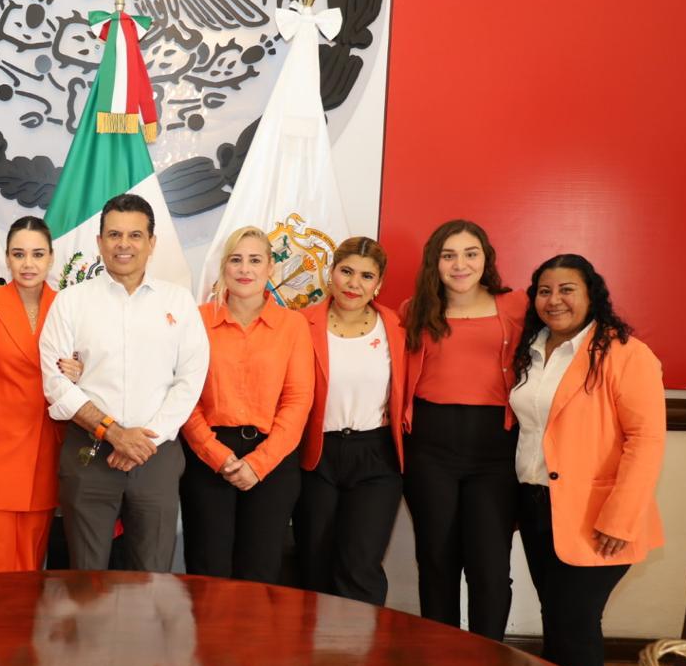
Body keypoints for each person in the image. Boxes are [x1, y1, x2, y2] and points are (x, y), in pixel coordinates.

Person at [510, 254, 664, 666]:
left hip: (596, 516)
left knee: (573, 627)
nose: (554, 300)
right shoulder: (531, 349)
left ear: (591, 295)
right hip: (536, 505)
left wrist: (620, 518)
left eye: (567, 290)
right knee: (558, 620)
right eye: (544, 291)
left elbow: (646, 439)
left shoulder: (626, 353)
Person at [39, 193, 209, 571]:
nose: (124, 244)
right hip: (90, 453)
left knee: (152, 575)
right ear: (99, 242)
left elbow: (190, 379)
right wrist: (114, 433)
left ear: (152, 242)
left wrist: (143, 441)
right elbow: (55, 383)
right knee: (87, 579)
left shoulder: (178, 302)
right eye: (114, 235)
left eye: (135, 235)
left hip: (156, 455)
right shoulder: (70, 302)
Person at [401, 220, 526, 639]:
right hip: (430, 447)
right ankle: (441, 655)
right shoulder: (414, 311)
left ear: (485, 258)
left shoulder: (516, 306)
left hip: (495, 449)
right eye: (448, 255)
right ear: (434, 263)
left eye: (470, 254)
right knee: (436, 560)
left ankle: (489, 657)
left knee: (489, 565)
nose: (460, 264)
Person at [179, 226, 313, 582]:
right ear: (223, 267)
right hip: (207, 458)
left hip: (272, 461)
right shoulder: (197, 320)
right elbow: (184, 395)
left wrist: (258, 463)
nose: (244, 269)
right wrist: (216, 456)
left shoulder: (293, 326)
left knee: (260, 574)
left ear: (271, 267)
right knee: (208, 573)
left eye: (255, 260)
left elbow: (298, 400)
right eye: (236, 260)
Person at [0, 216, 81, 573]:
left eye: (37, 254)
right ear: (7, 258)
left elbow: (93, 376)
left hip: (46, 449)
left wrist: (79, 373)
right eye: (19, 254)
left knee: (30, 570)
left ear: (51, 258)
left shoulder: (68, 307)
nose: (28, 264)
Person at [293, 237, 408, 604]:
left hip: (376, 456)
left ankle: (361, 641)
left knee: (360, 564)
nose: (354, 284)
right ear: (331, 273)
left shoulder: (396, 326)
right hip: (317, 454)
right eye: (346, 271)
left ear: (379, 284)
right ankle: (311, 640)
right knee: (314, 561)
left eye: (366, 276)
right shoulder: (300, 324)